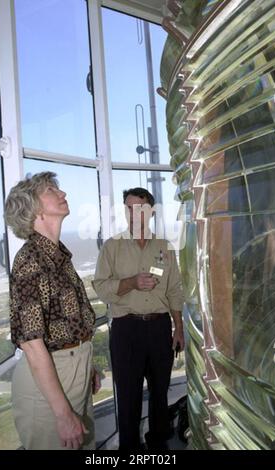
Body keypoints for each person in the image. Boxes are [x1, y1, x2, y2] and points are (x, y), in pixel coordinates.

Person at [4, 171, 100, 450]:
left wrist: (85, 363)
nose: (63, 194)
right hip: (48, 383)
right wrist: (62, 413)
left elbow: (69, 322)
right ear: (33, 208)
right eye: (51, 190)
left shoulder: (59, 255)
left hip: (73, 369)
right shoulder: (30, 260)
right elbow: (32, 344)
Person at [93, 187, 184, 451]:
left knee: (160, 393)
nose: (133, 214)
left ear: (151, 212)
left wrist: (178, 328)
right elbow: (100, 287)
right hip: (126, 330)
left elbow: (174, 289)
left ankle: (158, 446)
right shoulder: (112, 247)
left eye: (139, 208)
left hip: (159, 327)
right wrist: (131, 282)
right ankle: (129, 450)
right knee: (128, 396)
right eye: (128, 208)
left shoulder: (164, 248)